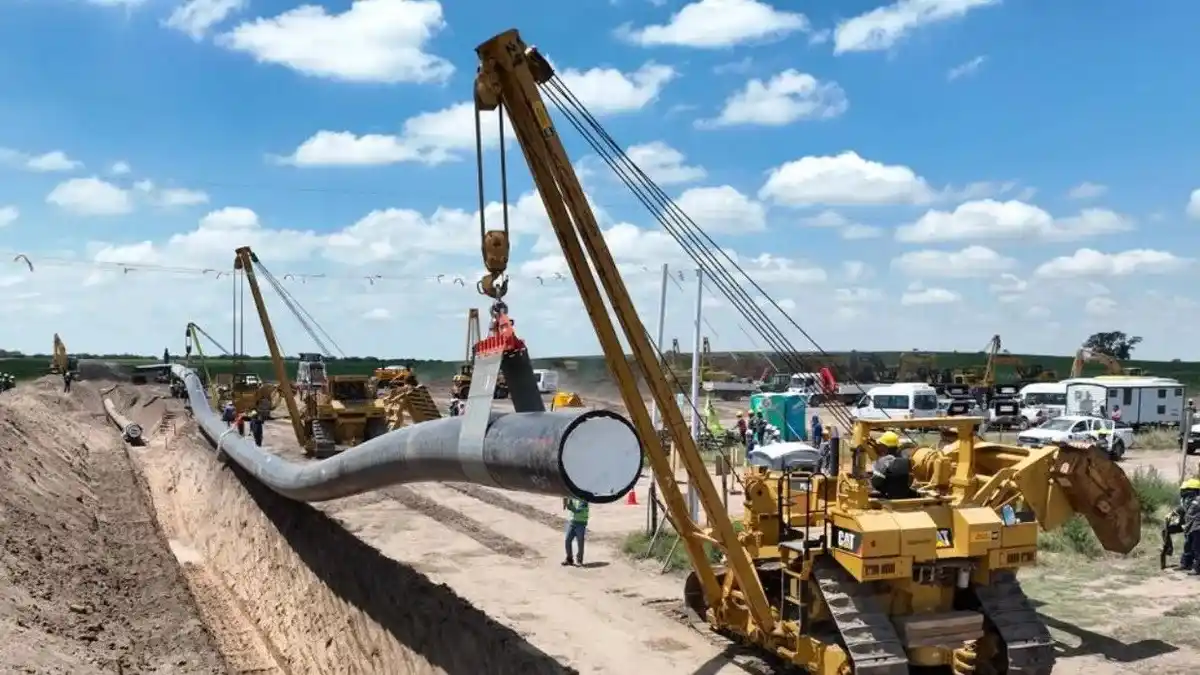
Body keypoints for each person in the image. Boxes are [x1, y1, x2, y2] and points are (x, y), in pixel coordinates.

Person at [871, 431, 914, 499]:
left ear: (885, 447)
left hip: (887, 497)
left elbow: (876, 482)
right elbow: (909, 480)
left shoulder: (883, 461)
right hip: (903, 495)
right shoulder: (905, 461)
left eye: (881, 445)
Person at [562, 496, 589, 566]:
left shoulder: (584, 498)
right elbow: (566, 497)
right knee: (567, 540)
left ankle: (579, 561)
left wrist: (569, 506)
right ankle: (569, 559)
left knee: (580, 542)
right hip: (572, 522)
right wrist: (566, 499)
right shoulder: (573, 496)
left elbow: (577, 510)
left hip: (581, 523)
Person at [1181, 478, 1200, 574]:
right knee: (1188, 546)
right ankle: (1186, 564)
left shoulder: (1198, 500)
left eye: (1189, 489)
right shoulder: (1189, 501)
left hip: (1197, 528)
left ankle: (1197, 569)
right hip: (1190, 528)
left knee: (1197, 548)